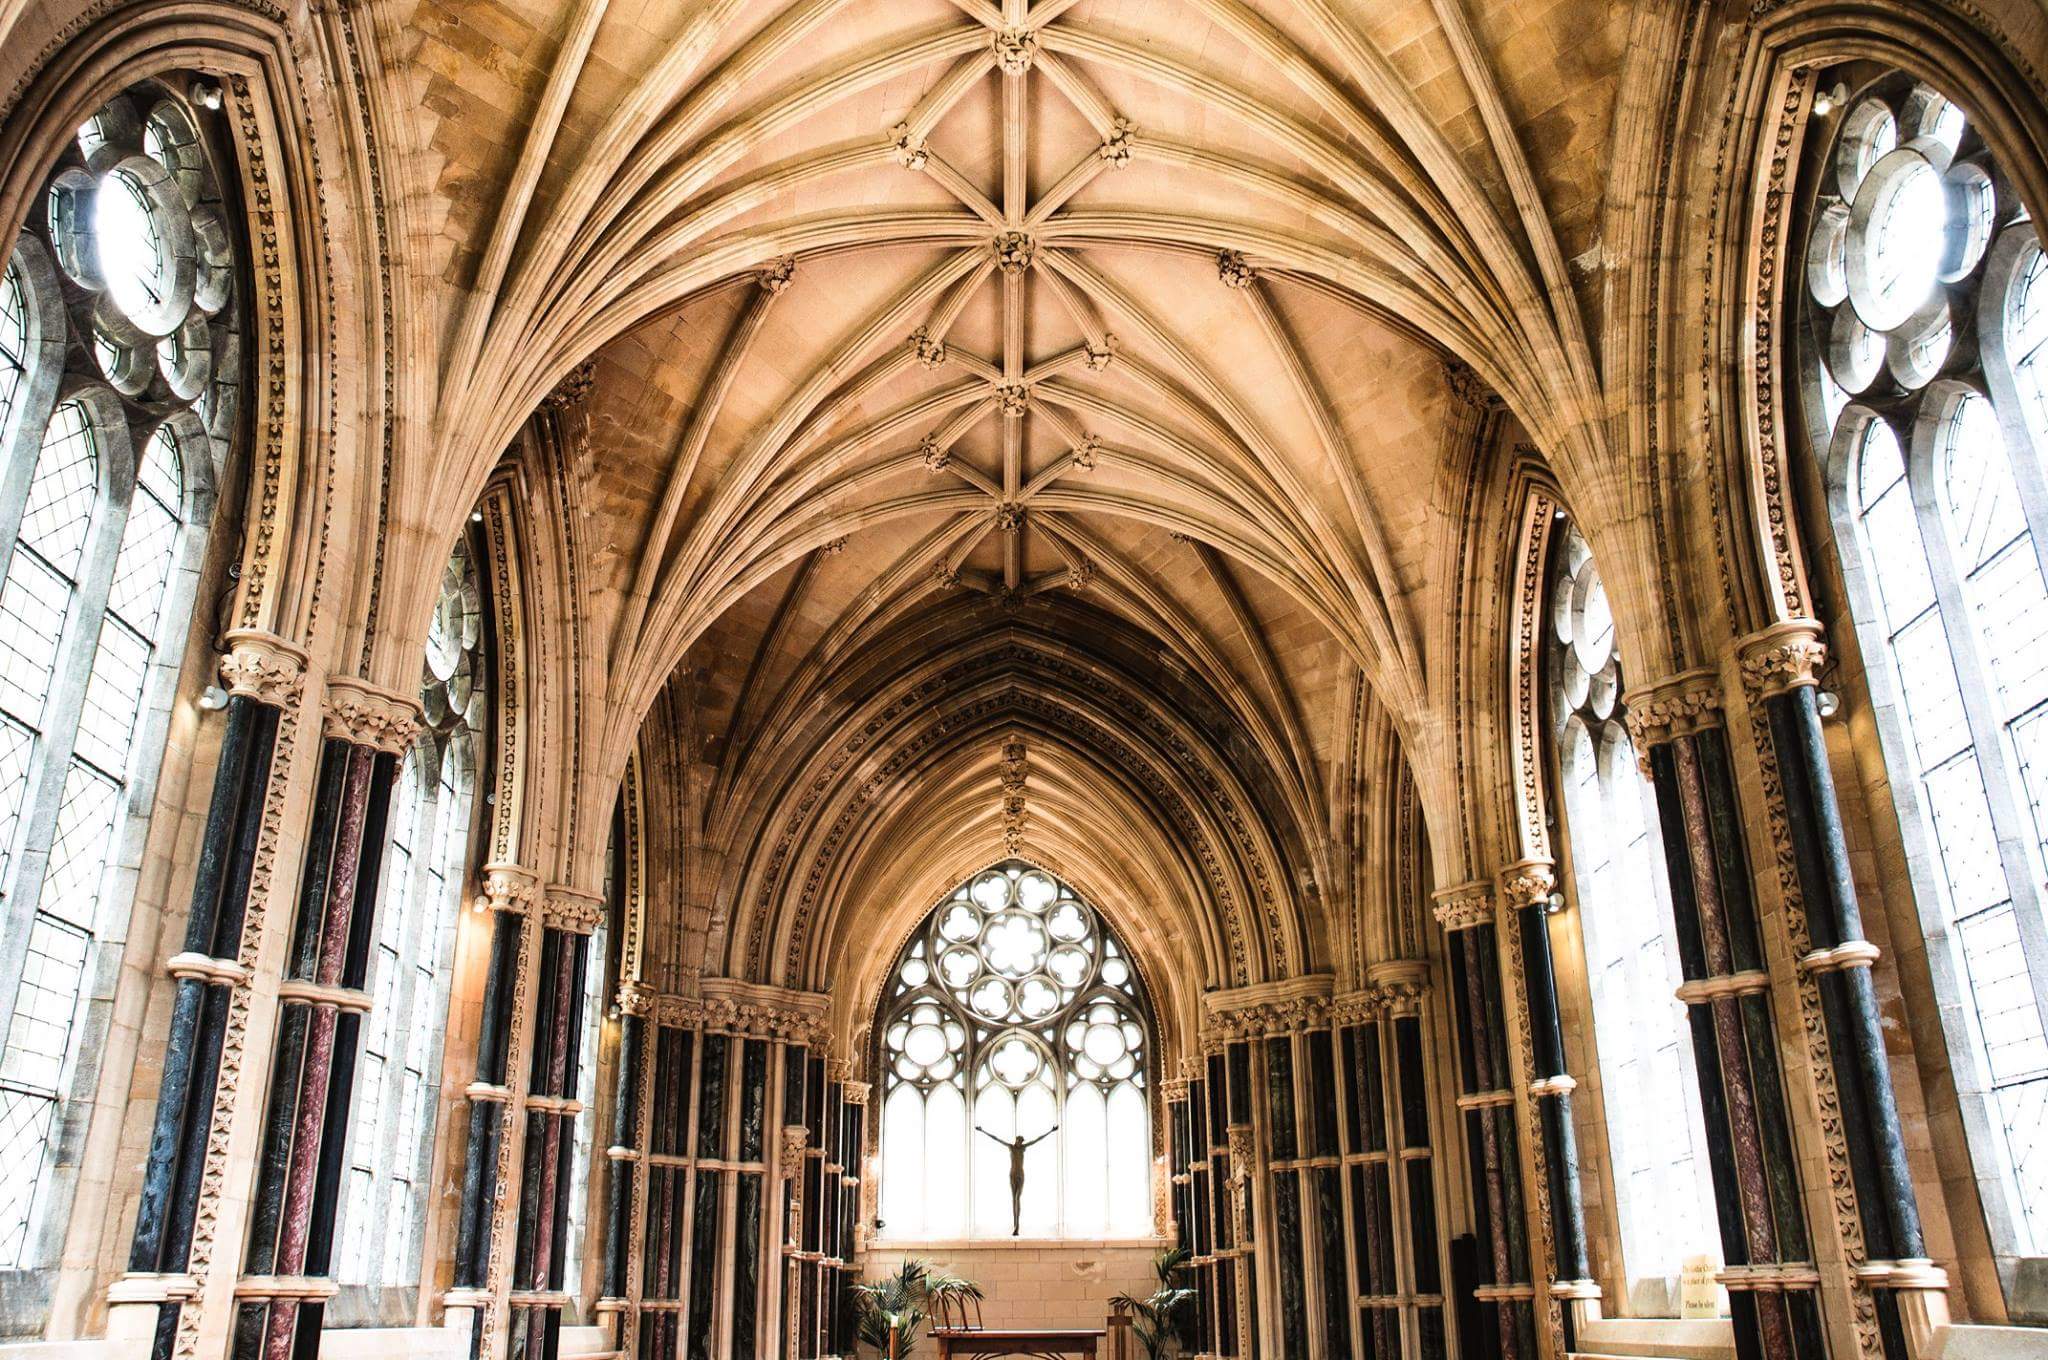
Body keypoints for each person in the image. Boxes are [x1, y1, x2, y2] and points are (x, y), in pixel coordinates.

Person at [976, 1124, 1058, 1236]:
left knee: (1017, 1198)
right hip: (1013, 1174)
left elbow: (1037, 1140)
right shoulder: (1011, 1147)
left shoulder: (1023, 1148)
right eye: (1020, 1141)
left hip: (1020, 1174)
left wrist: (1050, 1131)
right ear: (1017, 1140)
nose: (1021, 1143)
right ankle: (1015, 1226)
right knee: (1013, 1200)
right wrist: (983, 1131)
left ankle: (1017, 1226)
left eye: (1022, 1141)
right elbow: (996, 1139)